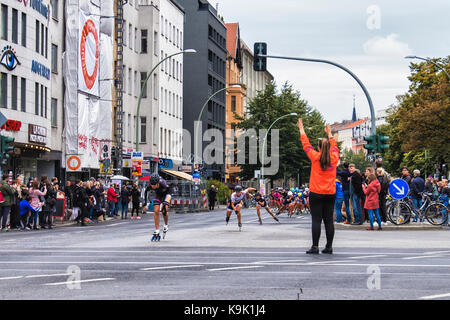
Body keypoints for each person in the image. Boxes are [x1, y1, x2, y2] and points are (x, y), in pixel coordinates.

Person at [297, 118, 339, 254]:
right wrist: (330, 134)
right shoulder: (334, 158)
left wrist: (301, 129)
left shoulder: (315, 156)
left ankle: (315, 246)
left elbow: (306, 144)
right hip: (330, 193)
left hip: (316, 192)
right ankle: (329, 247)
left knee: (316, 220)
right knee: (328, 221)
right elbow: (335, 147)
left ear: (319, 148)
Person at [145, 173, 173, 241]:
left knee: (164, 210)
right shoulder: (150, 185)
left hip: (166, 193)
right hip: (158, 194)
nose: (153, 186)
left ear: (158, 183)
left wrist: (168, 201)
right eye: (152, 184)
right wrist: (145, 203)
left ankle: (166, 225)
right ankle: (157, 229)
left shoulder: (163, 183)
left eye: (154, 185)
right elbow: (146, 192)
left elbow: (170, 191)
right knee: (156, 211)